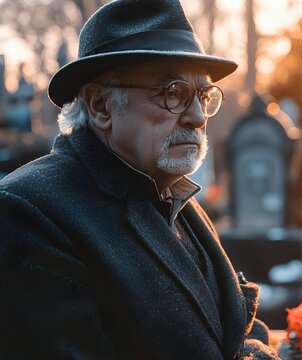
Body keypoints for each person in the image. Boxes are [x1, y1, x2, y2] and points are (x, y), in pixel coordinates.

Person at [0, 0, 280, 359]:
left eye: (203, 95)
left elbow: (233, 325)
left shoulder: (175, 196)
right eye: (173, 93)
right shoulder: (28, 213)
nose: (197, 116)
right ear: (101, 106)